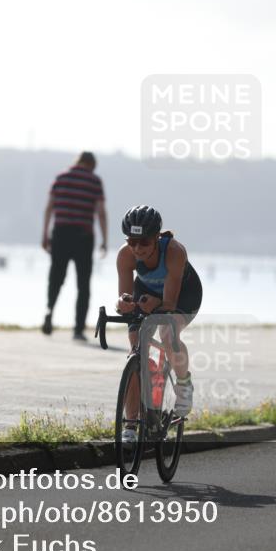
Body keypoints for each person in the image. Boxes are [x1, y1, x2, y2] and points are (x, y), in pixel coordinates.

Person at [114, 206, 202, 439]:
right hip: (147, 293)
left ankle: (184, 384)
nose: (137, 248)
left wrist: (157, 303)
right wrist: (124, 303)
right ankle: (130, 425)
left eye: (143, 242)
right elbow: (126, 296)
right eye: (132, 241)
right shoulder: (125, 255)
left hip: (183, 295)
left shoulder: (174, 252)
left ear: (156, 238)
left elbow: (170, 303)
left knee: (167, 333)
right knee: (135, 351)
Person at [41, 151, 108, 340]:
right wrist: (105, 240)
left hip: (60, 233)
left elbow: (49, 208)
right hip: (83, 236)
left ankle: (49, 311)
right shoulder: (94, 181)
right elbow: (101, 213)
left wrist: (45, 235)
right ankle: (78, 330)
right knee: (83, 284)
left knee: (56, 277)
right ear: (92, 165)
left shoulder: (61, 178)